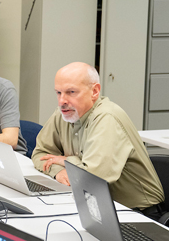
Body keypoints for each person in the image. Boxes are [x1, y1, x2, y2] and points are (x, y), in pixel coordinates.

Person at [32, 62, 165, 220]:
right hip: (95, 205)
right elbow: (40, 153)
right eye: (58, 92)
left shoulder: (107, 118)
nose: (62, 101)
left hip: (137, 213)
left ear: (94, 91)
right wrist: (58, 171)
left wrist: (66, 160)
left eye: (71, 92)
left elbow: (93, 179)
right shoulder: (64, 112)